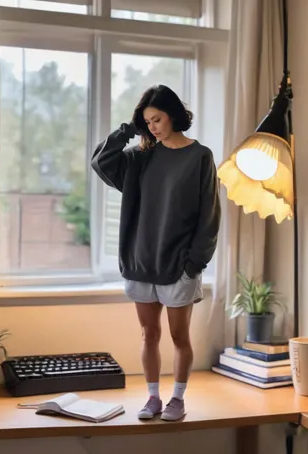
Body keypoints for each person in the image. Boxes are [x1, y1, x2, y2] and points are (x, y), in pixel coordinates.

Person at [91, 84, 221, 422]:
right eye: (147, 122)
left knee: (179, 337)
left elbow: (209, 214)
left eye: (157, 119)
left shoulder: (200, 157)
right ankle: (152, 398)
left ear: (173, 114)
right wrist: (127, 131)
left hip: (179, 265)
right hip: (141, 262)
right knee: (149, 334)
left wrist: (195, 264)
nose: (152, 127)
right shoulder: (140, 157)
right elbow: (101, 161)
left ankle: (177, 398)